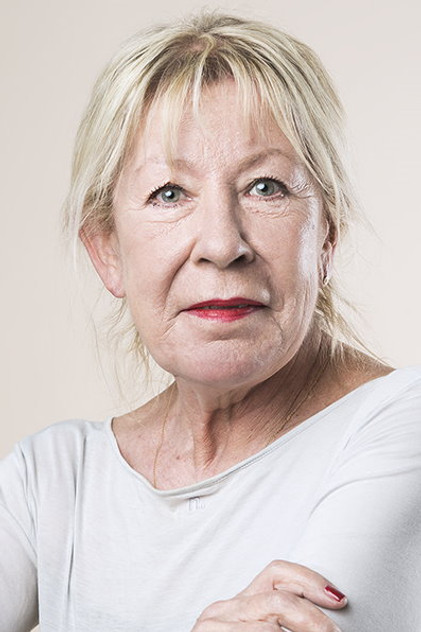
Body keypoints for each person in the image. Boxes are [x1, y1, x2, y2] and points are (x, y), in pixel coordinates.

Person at [1, 11, 421, 632]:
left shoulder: (403, 426)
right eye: (169, 193)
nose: (222, 245)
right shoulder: (50, 479)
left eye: (265, 187)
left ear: (326, 236)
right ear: (107, 251)